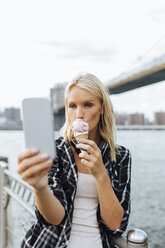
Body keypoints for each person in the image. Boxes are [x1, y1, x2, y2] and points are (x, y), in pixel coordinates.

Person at [17, 73, 131, 248]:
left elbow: (116, 226)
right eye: (72, 106)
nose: (79, 114)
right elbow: (55, 218)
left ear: (102, 108)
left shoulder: (121, 156)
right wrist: (40, 188)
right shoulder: (54, 150)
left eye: (88, 105)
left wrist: (101, 174)